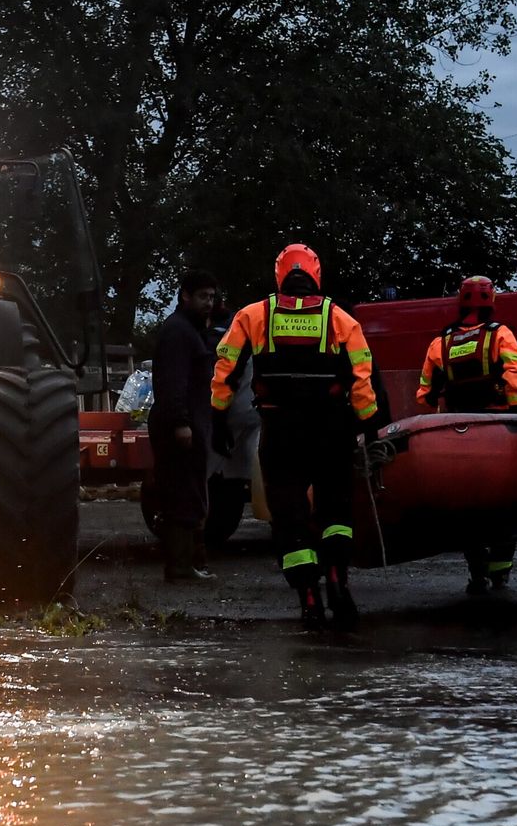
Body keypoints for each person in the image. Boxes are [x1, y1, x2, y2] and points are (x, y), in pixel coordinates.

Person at [211, 243, 380, 630]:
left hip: (281, 431)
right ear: (316, 275)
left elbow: (226, 369)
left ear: (279, 275)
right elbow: (362, 376)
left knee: (289, 515)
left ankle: (308, 597)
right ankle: (338, 578)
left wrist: (217, 417)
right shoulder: (339, 318)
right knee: (336, 511)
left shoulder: (253, 315)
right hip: (331, 429)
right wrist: (368, 425)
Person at [415, 276, 517, 593]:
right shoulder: (500, 335)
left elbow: (424, 394)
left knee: (467, 505)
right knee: (504, 503)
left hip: (456, 433)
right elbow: (515, 374)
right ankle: (501, 573)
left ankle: (477, 571)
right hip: (496, 429)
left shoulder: (442, 342)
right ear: (491, 301)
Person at [148, 268, 219, 581]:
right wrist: (181, 423)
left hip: (190, 423)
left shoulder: (189, 329)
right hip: (180, 426)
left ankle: (188, 562)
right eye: (203, 296)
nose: (209, 303)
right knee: (182, 493)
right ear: (185, 296)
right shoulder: (179, 332)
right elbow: (173, 382)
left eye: (212, 297)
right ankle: (180, 566)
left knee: (188, 491)